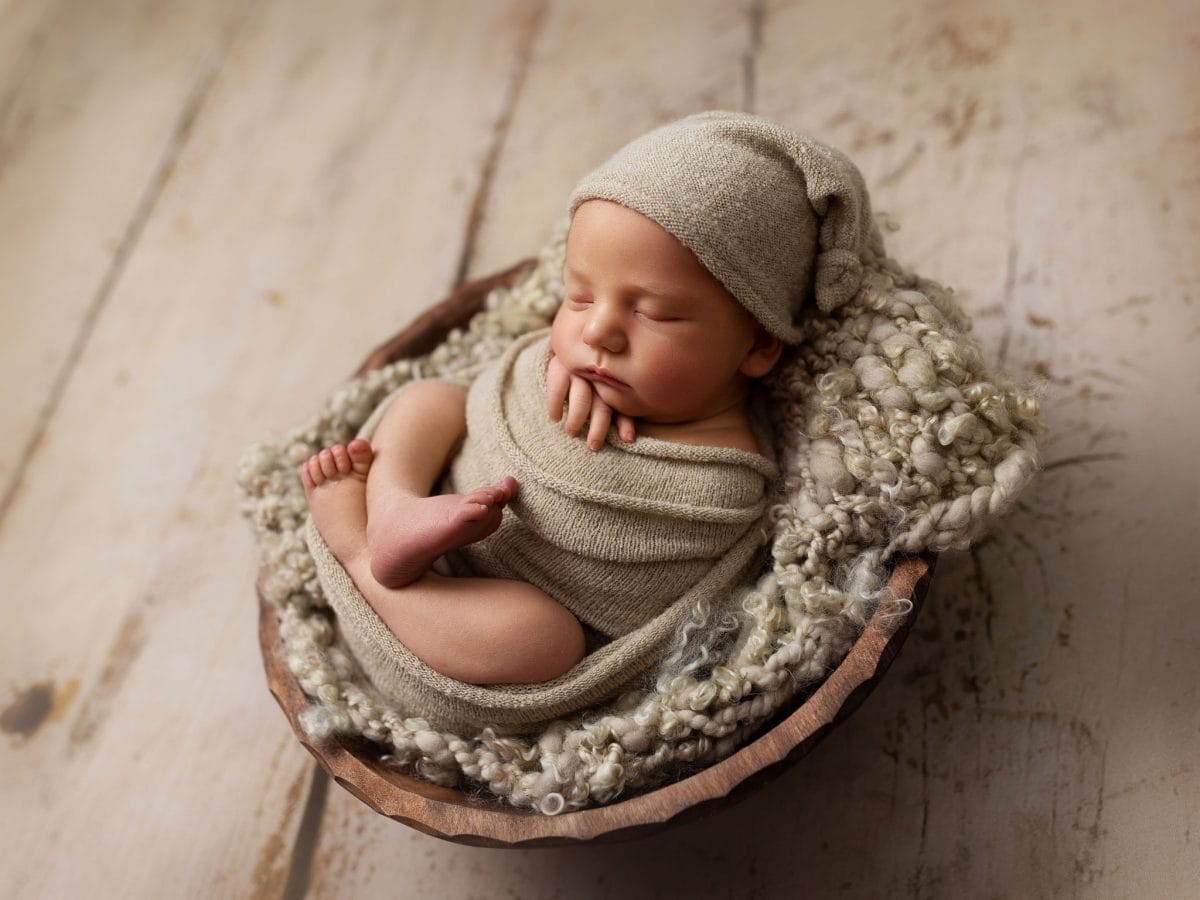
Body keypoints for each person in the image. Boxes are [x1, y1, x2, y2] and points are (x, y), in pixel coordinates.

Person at [300, 111, 875, 689]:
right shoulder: (574, 364)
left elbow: (652, 602)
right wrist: (540, 370)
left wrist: (574, 459)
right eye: (578, 297)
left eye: (653, 311)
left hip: (459, 633)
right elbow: (488, 391)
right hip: (433, 503)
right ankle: (394, 505)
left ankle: (357, 554)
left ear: (756, 345)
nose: (598, 332)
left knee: (543, 641)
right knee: (433, 399)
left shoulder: (725, 485)